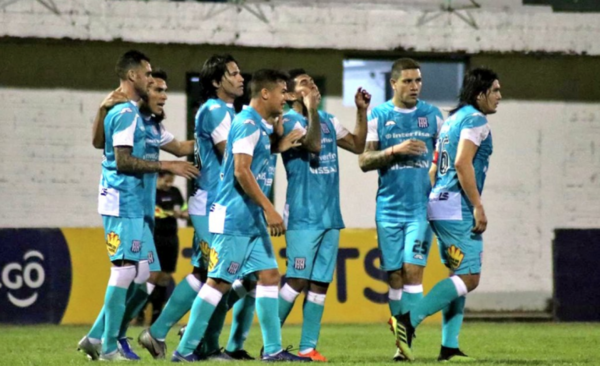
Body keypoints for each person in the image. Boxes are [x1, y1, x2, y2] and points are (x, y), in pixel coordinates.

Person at [172, 69, 307, 362]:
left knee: (270, 275)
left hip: (249, 219)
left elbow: (256, 156)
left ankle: (272, 351)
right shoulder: (246, 123)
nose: (287, 96)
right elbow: (241, 170)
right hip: (234, 216)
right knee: (218, 283)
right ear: (265, 93)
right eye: (283, 91)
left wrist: (277, 142)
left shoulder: (258, 124)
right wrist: (269, 208)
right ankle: (184, 351)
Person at [138, 54, 257, 361]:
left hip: (217, 205)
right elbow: (231, 155)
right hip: (212, 206)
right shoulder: (215, 110)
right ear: (217, 81)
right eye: (233, 73)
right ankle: (193, 334)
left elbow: (206, 148)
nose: (241, 77)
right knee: (231, 276)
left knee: (205, 275)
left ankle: (164, 333)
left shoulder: (227, 111)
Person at [79, 65, 198, 361]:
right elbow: (110, 152)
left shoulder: (151, 125)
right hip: (122, 203)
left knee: (146, 275)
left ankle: (96, 336)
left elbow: (181, 147)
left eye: (164, 89)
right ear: (141, 87)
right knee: (125, 273)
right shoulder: (125, 114)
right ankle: (108, 345)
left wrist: (217, 139)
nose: (163, 95)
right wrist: (167, 166)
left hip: (140, 209)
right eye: (156, 88)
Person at [389, 67, 501, 362]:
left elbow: (433, 168)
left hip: (438, 201)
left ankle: (449, 347)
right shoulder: (476, 121)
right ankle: (408, 321)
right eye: (496, 91)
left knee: (457, 275)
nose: (500, 97)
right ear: (481, 95)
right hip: (457, 206)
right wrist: (478, 205)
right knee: (470, 276)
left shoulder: (452, 120)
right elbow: (463, 164)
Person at [277, 69, 370, 361]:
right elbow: (313, 144)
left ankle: (307, 347)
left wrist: (361, 112)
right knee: (296, 280)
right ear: (291, 95)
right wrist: (312, 110)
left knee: (319, 284)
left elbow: (357, 145)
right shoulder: (288, 121)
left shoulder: (328, 119)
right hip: (303, 216)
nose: (312, 86)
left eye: (313, 82)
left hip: (330, 215)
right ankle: (270, 343)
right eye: (304, 84)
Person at [358, 58, 444, 361]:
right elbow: (364, 161)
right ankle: (401, 340)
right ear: (393, 83)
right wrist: (396, 150)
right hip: (388, 210)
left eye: (418, 81)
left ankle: (404, 342)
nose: (414, 86)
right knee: (394, 276)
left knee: (412, 272)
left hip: (421, 210)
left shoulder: (433, 117)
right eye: (407, 81)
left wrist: (436, 180)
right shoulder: (379, 115)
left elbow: (444, 158)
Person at [148, 171, 188, 324]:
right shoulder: (152, 193)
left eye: (171, 181)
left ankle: (157, 313)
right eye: (166, 181)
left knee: (166, 276)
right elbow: (155, 212)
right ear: (158, 178)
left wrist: (183, 214)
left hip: (171, 237)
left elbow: (184, 210)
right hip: (155, 237)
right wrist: (172, 213)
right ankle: (144, 310)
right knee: (153, 275)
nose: (168, 184)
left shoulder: (175, 192)